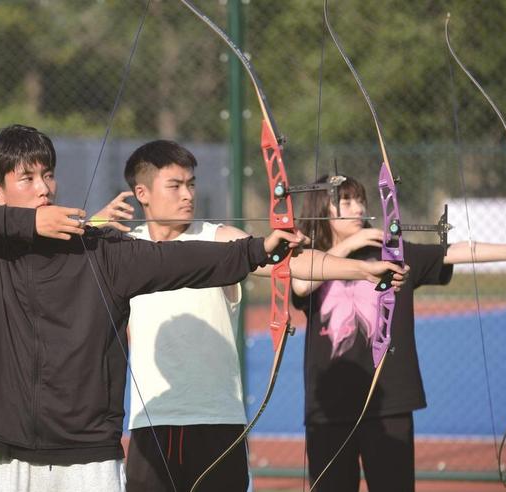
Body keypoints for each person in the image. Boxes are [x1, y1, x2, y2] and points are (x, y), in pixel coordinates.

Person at [0, 125, 311, 492]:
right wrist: (29, 222)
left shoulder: (100, 249)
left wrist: (258, 249)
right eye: (28, 179)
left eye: (49, 175)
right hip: (12, 452)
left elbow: (177, 260)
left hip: (89, 455)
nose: (44, 188)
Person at [92, 140, 408, 492]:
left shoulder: (220, 240)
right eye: (175, 186)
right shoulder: (123, 251)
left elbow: (292, 264)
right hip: (150, 421)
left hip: (218, 422)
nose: (188, 195)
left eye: (192, 184)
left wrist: (362, 271)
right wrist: (97, 222)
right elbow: (59, 258)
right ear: (142, 193)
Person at [290, 174, 506, 492]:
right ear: (320, 210)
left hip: (390, 402)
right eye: (345, 201)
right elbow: (301, 283)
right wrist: (351, 244)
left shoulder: (394, 253)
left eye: (361, 201)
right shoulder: (308, 259)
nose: (357, 209)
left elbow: (454, 252)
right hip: (329, 406)